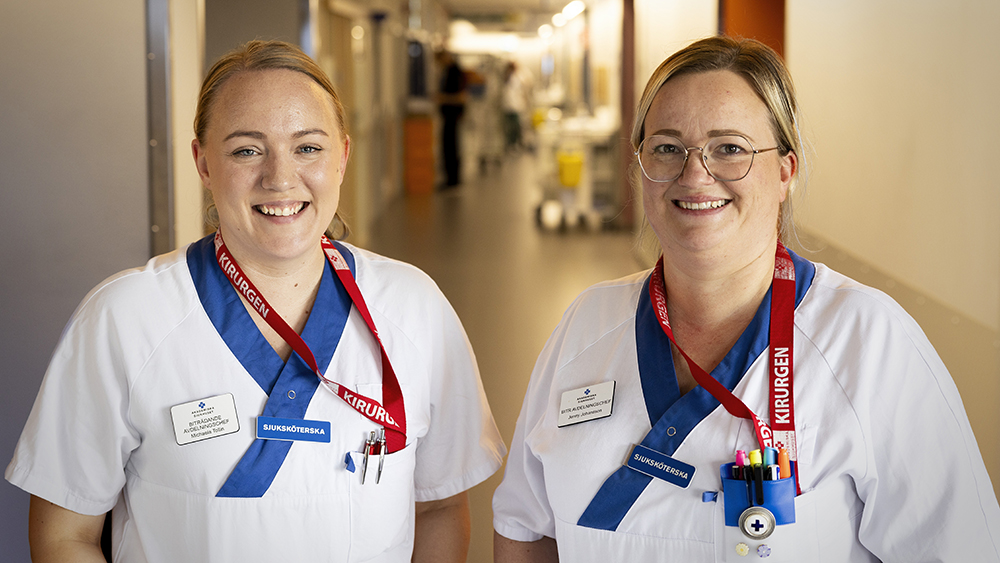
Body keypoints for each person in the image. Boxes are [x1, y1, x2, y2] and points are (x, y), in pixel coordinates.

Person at [492, 36, 1000, 561]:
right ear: (640, 165)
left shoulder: (868, 341)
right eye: (667, 147)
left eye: (729, 148)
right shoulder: (586, 324)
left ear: (785, 172)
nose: (694, 174)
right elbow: (526, 525)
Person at [6, 40, 506, 563]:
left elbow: (440, 509)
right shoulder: (124, 318)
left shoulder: (413, 308)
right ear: (202, 162)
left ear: (342, 157)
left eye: (308, 147)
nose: (280, 178)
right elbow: (66, 535)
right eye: (247, 149)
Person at [436, 50, 467, 188]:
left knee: (451, 147)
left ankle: (453, 179)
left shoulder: (455, 72)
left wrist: (442, 98)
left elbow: (461, 97)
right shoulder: (448, 71)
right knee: (448, 147)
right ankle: (450, 178)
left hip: (453, 115)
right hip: (448, 115)